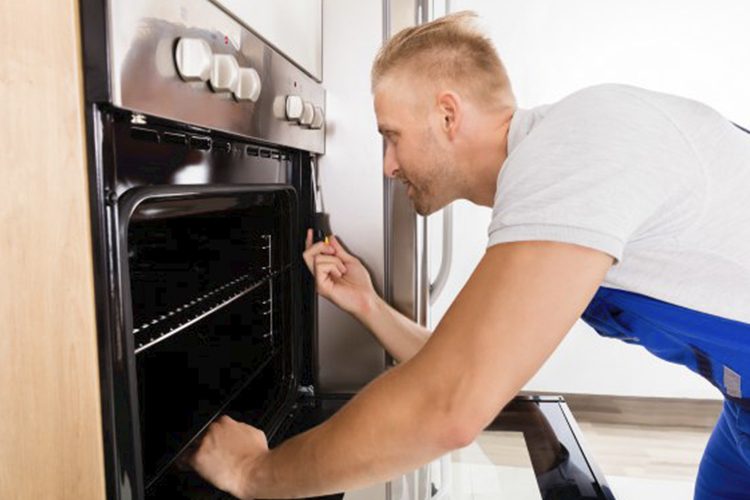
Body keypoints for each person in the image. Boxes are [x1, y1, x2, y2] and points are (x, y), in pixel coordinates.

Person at [189, 11, 750, 499]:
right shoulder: (559, 172)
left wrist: (253, 471)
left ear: (448, 115)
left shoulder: (576, 151)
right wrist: (366, 304)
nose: (387, 164)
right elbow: (470, 368)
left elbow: (449, 404)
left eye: (391, 134)